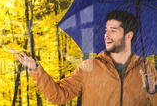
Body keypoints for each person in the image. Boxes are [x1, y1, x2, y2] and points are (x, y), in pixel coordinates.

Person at [11, 11, 157, 105]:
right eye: (106, 30)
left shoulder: (147, 69)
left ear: (128, 36)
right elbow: (58, 96)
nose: (106, 34)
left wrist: (153, 91)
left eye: (113, 30)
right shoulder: (90, 66)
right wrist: (35, 69)